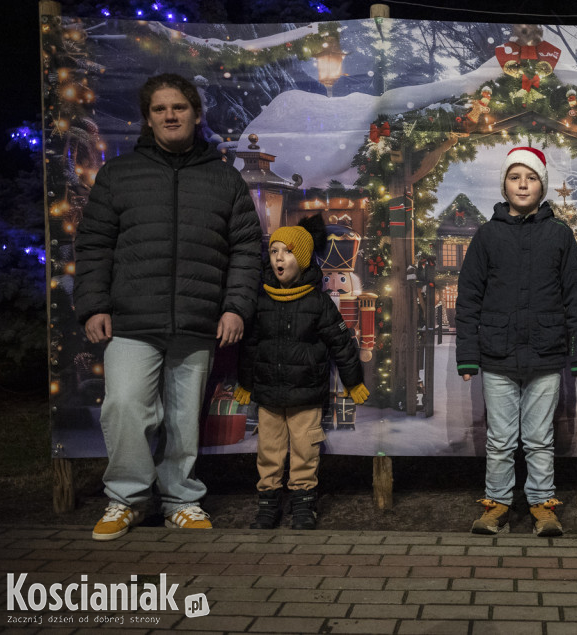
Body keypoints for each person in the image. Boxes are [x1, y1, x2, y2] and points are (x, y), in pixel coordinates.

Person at [75, 73, 262, 540]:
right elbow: (95, 244)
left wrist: (236, 307)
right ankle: (127, 500)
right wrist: (94, 304)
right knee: (123, 406)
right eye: (160, 109)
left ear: (196, 115)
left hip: (199, 320)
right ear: (148, 119)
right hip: (133, 318)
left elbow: (245, 249)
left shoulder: (224, 179)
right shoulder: (119, 175)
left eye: (178, 107)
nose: (170, 115)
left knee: (183, 419)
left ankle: (182, 500)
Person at [455, 146, 577, 536]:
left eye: (531, 178)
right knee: (499, 439)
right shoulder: (487, 236)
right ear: (504, 184)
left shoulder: (560, 236)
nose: (523, 184)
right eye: (515, 177)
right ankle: (496, 504)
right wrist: (467, 356)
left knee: (538, 438)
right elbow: (468, 299)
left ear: (542, 186)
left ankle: (541, 505)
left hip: (546, 356)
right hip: (497, 356)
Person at [233, 218, 369, 530]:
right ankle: (268, 504)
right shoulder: (262, 300)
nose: (279, 258)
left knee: (305, 450)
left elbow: (341, 343)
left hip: (306, 395)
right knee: (269, 450)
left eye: (288, 252)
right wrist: (245, 383)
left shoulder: (318, 303)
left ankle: (303, 503)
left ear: (304, 258)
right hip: (269, 395)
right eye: (274, 251)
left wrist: (353, 381)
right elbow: (250, 346)